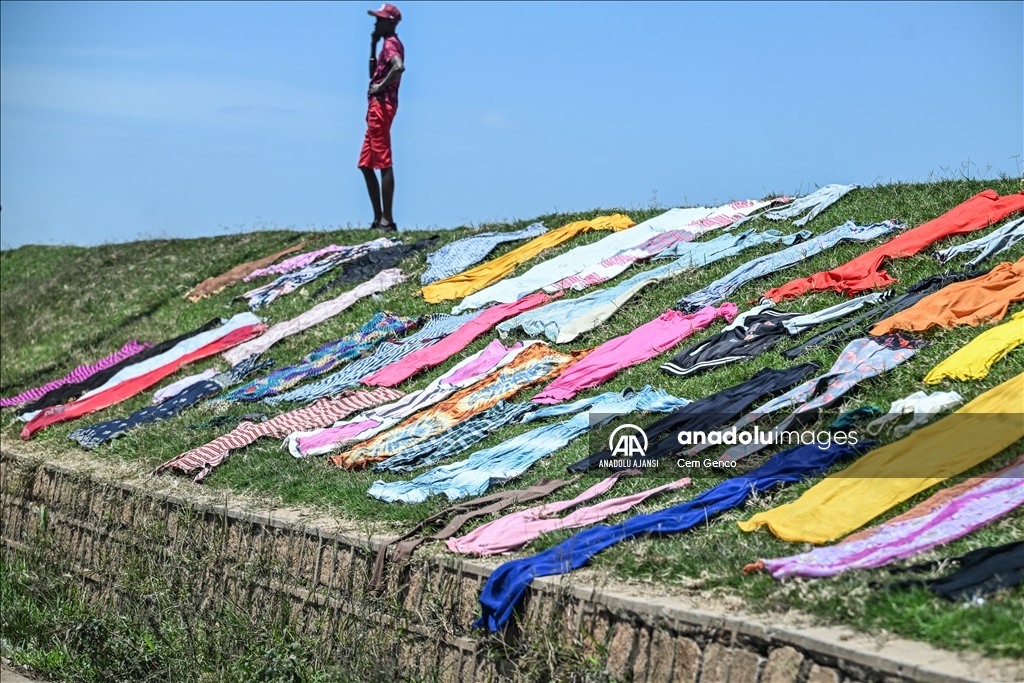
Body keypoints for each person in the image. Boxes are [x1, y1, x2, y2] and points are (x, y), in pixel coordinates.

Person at [359, 3, 405, 231]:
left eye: (381, 19)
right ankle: (379, 219)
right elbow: (372, 75)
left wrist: (379, 88)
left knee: (383, 161)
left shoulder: (391, 45)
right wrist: (372, 45)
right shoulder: (384, 45)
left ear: (391, 22)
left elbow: (399, 67)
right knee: (366, 164)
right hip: (376, 106)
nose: (376, 22)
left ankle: (387, 220)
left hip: (381, 106)